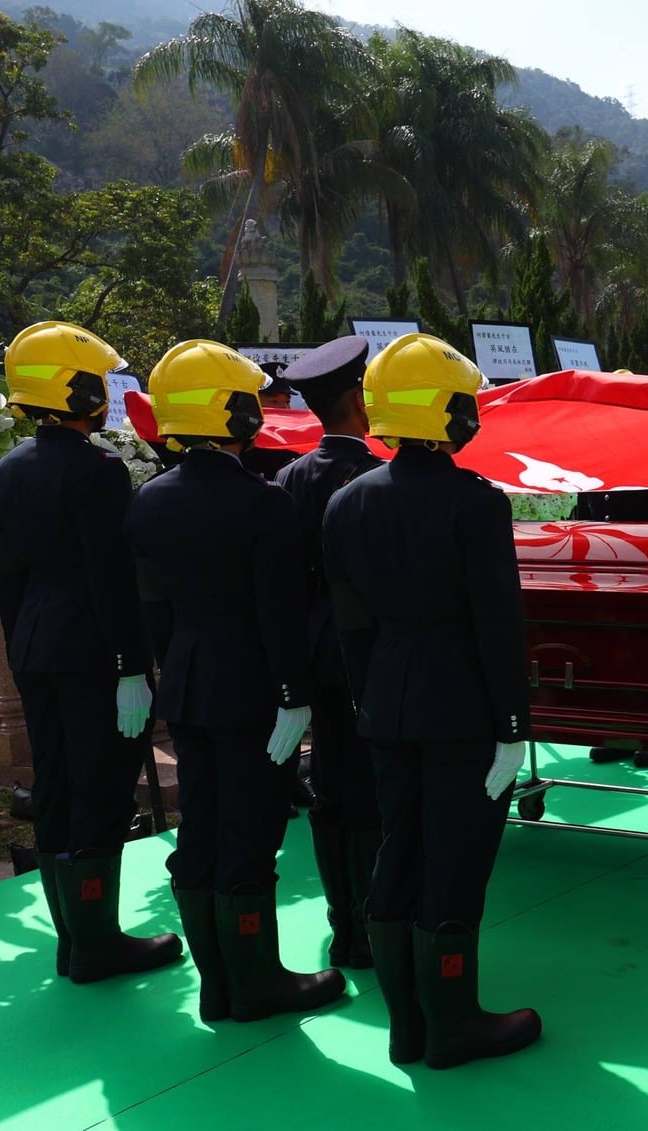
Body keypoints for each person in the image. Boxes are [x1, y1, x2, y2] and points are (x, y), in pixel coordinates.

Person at [323, 332, 542, 1069]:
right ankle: (452, 1025)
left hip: (386, 702)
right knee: (455, 858)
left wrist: (371, 702)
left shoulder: (346, 503)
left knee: (397, 851)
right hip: (462, 708)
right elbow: (497, 623)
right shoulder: (475, 503)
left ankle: (406, 1027)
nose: (472, 411)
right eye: (462, 399)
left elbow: (352, 627)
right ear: (436, 407)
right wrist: (514, 724)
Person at [125, 340, 344, 1024]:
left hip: (188, 682)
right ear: (233, 413)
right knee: (250, 832)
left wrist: (175, 669)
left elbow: (154, 609)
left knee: (203, 829)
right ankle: (256, 984)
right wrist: (293, 693)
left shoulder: (149, 499)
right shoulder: (262, 503)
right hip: (252, 688)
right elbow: (277, 615)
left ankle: (218, 985)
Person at [0, 320, 182, 984]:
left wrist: (23, 649)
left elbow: (7, 583)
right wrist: (133, 663)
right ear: (70, 391)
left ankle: (75, 938)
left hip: (37, 645)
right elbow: (111, 577)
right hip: (94, 650)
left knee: (58, 788)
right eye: (95, 382)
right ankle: (98, 944)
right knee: (98, 789)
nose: (104, 395)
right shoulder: (97, 469)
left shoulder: (4, 471)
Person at [272, 335, 385, 970]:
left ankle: (344, 923)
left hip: (315, 650)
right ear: (358, 401)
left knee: (331, 786)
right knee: (368, 789)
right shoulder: (373, 479)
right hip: (365, 653)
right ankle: (370, 923)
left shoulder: (288, 477)